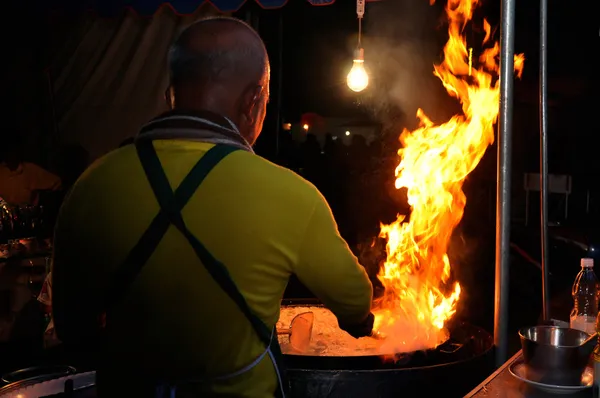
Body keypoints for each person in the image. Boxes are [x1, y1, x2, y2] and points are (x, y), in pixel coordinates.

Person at [52, 17, 374, 397]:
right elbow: (357, 311)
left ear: (170, 94)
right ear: (253, 101)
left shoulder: (93, 184)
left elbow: (72, 330)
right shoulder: (293, 195)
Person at [0, 136, 61, 206]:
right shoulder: (2, 172)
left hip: (27, 215)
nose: (10, 153)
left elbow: (57, 183)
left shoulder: (30, 170)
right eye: (7, 150)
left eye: (12, 149)